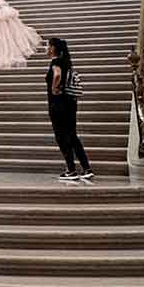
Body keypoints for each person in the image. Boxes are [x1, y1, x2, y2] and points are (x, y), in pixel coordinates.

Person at [47, 38, 93, 181]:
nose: (46, 49)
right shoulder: (67, 62)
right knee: (72, 136)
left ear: (53, 48)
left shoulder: (56, 62)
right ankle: (86, 168)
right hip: (70, 104)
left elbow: (57, 74)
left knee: (62, 137)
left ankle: (71, 170)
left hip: (58, 104)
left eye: (48, 46)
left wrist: (54, 88)